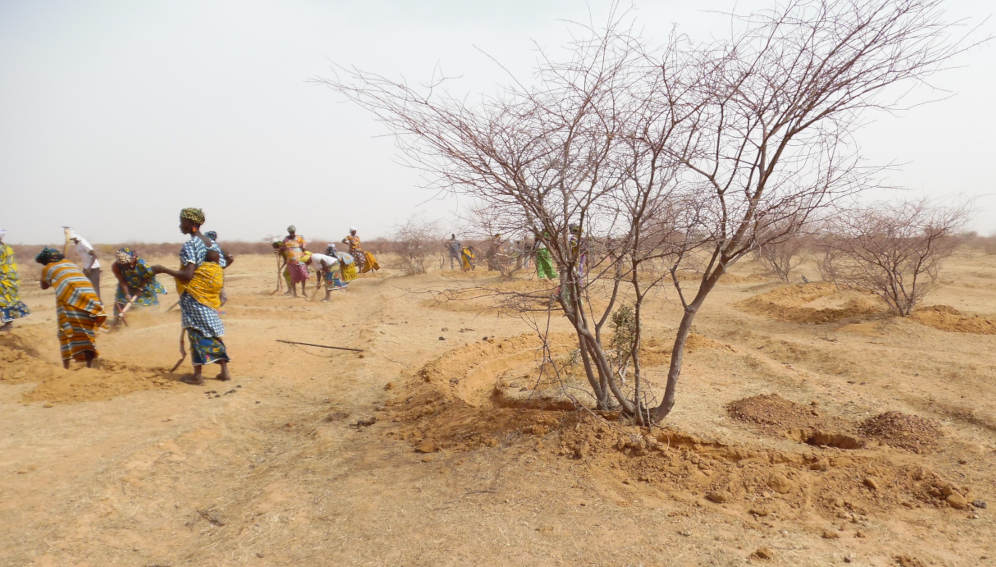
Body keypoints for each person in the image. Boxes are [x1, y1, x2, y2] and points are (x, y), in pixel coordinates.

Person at [151, 208, 230, 385]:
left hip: (194, 295)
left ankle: (198, 376)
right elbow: (222, 264)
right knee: (211, 329)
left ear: (191, 223)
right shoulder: (212, 243)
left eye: (182, 222)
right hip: (210, 296)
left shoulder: (191, 244)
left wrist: (162, 269)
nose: (180, 225)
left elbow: (187, 275)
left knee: (196, 332)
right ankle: (224, 371)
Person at [36, 247, 106, 368]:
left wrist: (45, 275)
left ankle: (66, 366)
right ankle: (89, 364)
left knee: (65, 330)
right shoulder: (70, 263)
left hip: (70, 299)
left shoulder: (48, 268)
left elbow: (44, 286)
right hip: (88, 297)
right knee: (85, 329)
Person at [111, 247, 167, 318]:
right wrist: (127, 294)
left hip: (144, 283)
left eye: (127, 263)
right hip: (127, 284)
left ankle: (151, 316)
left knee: (144, 302)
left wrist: (140, 288)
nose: (125, 265)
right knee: (121, 300)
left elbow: (148, 277)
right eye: (123, 264)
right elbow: (122, 281)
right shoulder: (116, 266)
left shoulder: (141, 264)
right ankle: (118, 318)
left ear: (132, 258)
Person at [0, 229, 30, 331]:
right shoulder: (7, 248)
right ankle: (8, 323)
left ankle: (8, 324)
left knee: (5, 301)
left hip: (3, 278)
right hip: (10, 278)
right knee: (7, 300)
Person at [63, 228, 102, 299]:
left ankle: (99, 303)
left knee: (94, 287)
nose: (72, 240)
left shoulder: (83, 243)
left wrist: (89, 268)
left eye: (73, 239)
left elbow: (94, 255)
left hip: (93, 267)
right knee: (84, 286)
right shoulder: (76, 245)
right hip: (86, 268)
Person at [205, 231, 233, 305]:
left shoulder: (203, 246)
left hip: (207, 271)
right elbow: (231, 258)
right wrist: (222, 267)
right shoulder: (219, 247)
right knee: (219, 290)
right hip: (218, 271)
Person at [280, 225, 308, 297]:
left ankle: (303, 291)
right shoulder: (286, 239)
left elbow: (304, 248)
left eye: (293, 232)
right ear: (288, 232)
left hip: (300, 260)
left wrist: (305, 255)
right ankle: (294, 293)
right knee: (293, 277)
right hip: (291, 261)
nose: (292, 233)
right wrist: (282, 256)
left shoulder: (300, 238)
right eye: (290, 232)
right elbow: (282, 249)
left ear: (295, 231)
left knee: (303, 275)